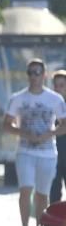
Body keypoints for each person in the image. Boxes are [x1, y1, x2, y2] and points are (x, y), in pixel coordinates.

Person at [3, 59, 66, 226]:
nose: (34, 76)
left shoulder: (55, 99)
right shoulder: (18, 98)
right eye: (30, 72)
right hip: (25, 151)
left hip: (47, 153)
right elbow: (7, 124)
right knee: (25, 189)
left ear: (44, 75)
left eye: (37, 72)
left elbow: (64, 125)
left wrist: (50, 133)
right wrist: (23, 132)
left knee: (42, 194)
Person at [50, 70, 66, 203]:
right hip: (53, 155)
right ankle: (53, 224)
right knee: (54, 194)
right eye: (56, 85)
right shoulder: (48, 104)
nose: (58, 89)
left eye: (61, 85)